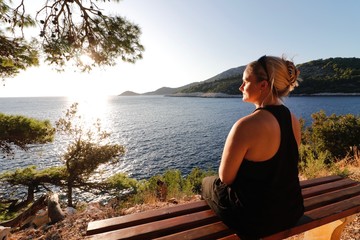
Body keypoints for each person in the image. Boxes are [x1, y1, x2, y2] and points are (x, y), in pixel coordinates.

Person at [201, 55, 304, 239]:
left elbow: (226, 178)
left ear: (263, 85)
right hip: (291, 211)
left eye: (245, 82)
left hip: (258, 221)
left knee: (208, 183)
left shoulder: (246, 126)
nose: (240, 87)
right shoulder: (293, 120)